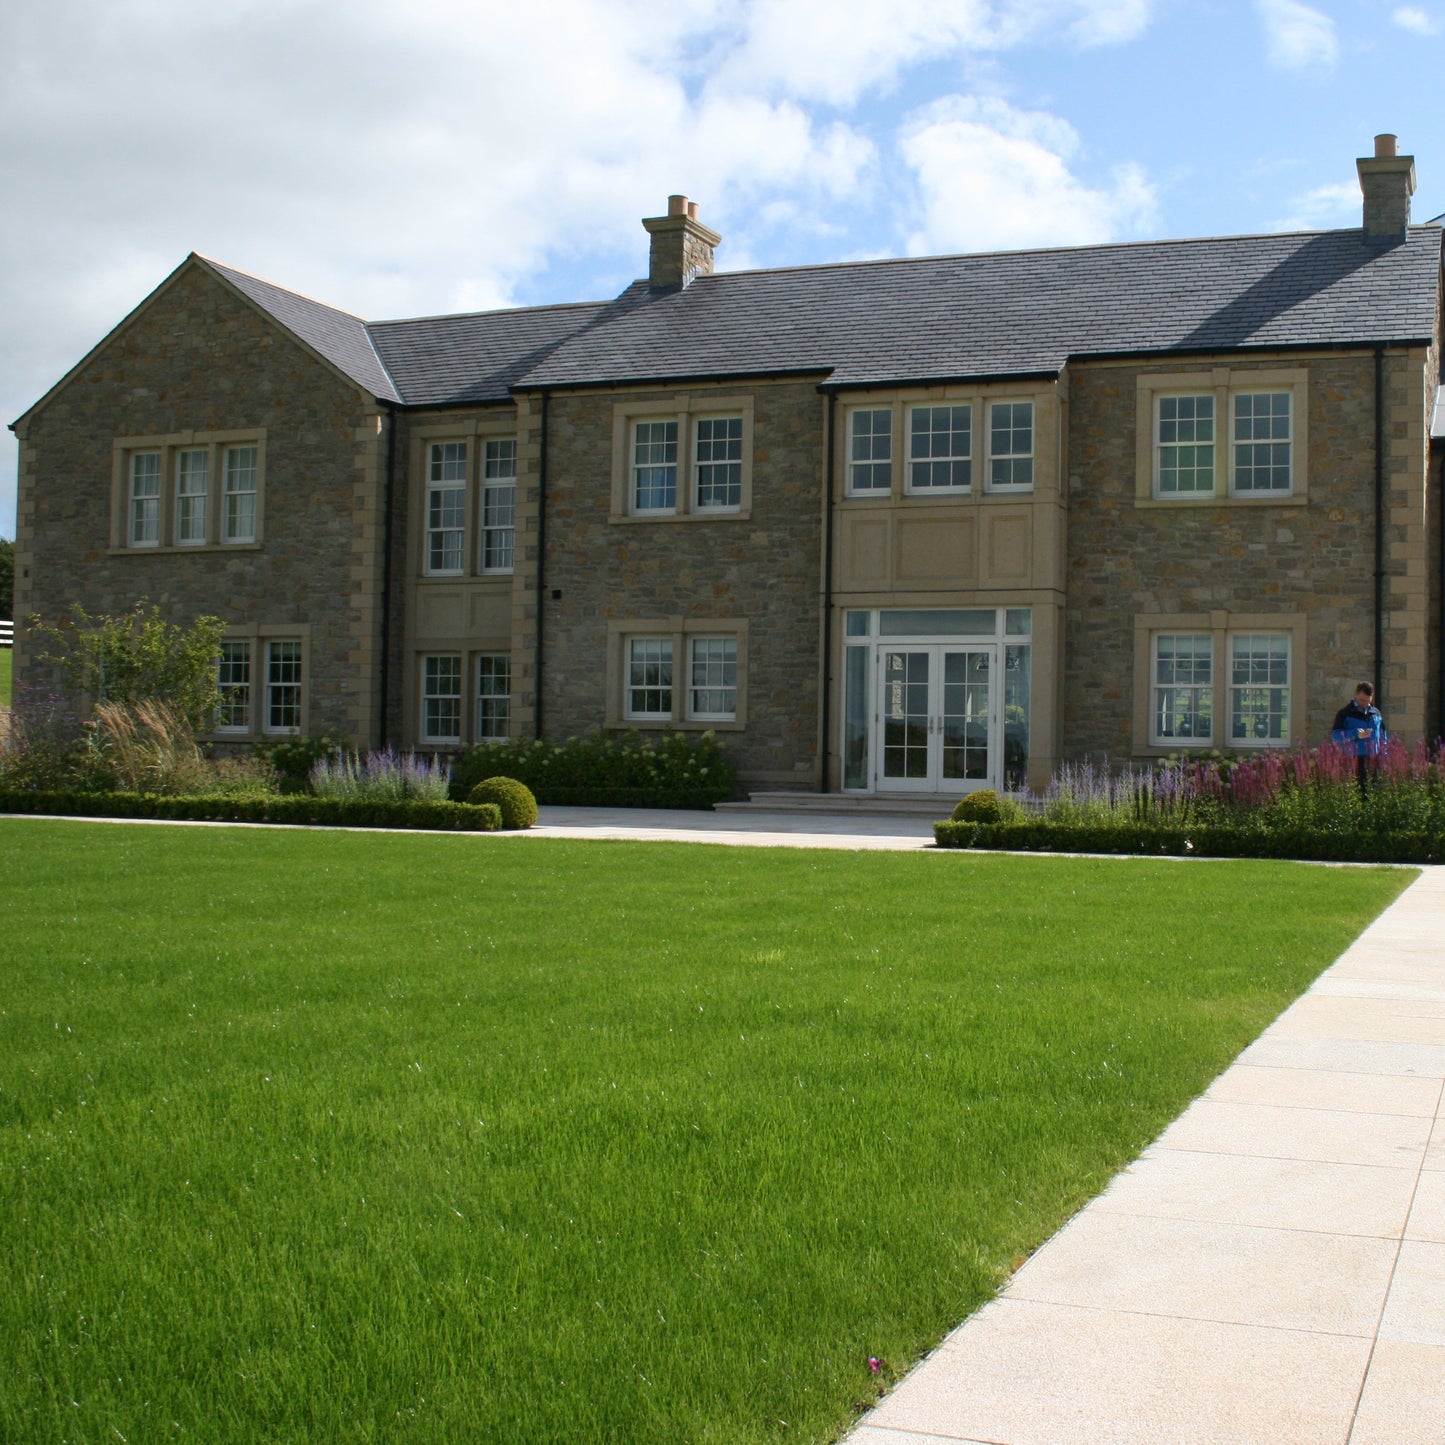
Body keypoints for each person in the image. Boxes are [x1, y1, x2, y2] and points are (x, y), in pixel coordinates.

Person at [1332, 682, 1385, 790]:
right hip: (1353, 760)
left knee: (1373, 794)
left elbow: (1383, 736)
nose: (1364, 703)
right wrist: (1355, 734)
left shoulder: (1376, 713)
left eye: (1367, 700)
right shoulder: (1345, 713)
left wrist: (1384, 754)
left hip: (1373, 760)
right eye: (1362, 700)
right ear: (1356, 695)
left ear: (1372, 698)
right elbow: (1335, 736)